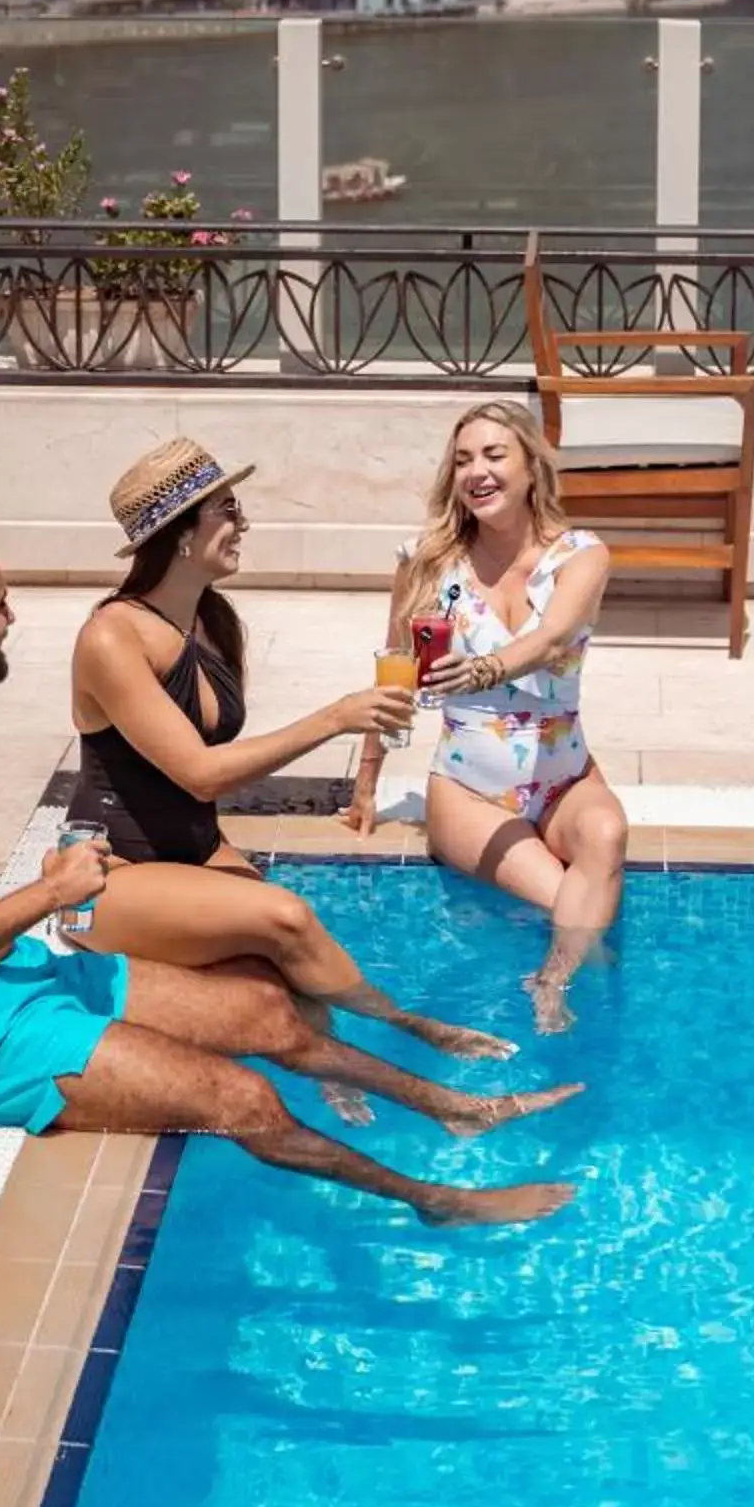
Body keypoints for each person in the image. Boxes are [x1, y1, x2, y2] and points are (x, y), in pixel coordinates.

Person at [0, 525, 576, 1226]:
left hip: (11, 973)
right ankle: (435, 1199)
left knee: (265, 1009)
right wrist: (49, 894)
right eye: (1, 606)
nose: (15, 617)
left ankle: (460, 1111)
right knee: (242, 1101)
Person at [66, 438, 515, 1083]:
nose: (243, 524)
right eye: (228, 510)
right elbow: (200, 772)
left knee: (281, 983)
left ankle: (341, 1074)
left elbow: (192, 783)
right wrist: (336, 717)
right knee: (288, 918)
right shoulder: (110, 635)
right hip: (101, 875)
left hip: (188, 850)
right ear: (181, 533)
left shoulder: (214, 623)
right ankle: (410, 1031)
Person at [396, 400, 627, 1034]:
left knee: (606, 834)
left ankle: (551, 979)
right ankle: (580, 978)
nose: (478, 472)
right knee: (572, 903)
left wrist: (481, 669)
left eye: (495, 455)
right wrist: (365, 782)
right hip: (471, 792)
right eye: (464, 460)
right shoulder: (430, 562)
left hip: (565, 779)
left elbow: (553, 640)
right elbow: (393, 666)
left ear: (531, 468)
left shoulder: (582, 555)